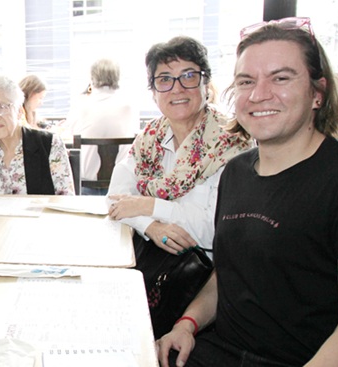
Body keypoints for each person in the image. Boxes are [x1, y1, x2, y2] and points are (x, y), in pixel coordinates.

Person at [158, 18, 338, 367]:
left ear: (318, 94)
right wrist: (187, 324)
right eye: (246, 81)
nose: (259, 94)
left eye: (281, 77)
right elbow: (228, 274)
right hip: (219, 350)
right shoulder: (237, 171)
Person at [106, 36, 251, 336]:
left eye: (188, 76)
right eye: (164, 80)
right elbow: (114, 200)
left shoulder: (230, 143)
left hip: (202, 285)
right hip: (148, 265)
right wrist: (151, 227)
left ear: (205, 84)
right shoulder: (149, 139)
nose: (177, 88)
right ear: (153, 93)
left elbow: (211, 230)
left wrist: (147, 205)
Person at [70, 58, 140, 195]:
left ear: (92, 77)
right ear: (117, 77)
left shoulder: (81, 104)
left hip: (86, 188)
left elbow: (72, 132)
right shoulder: (129, 106)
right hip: (122, 188)